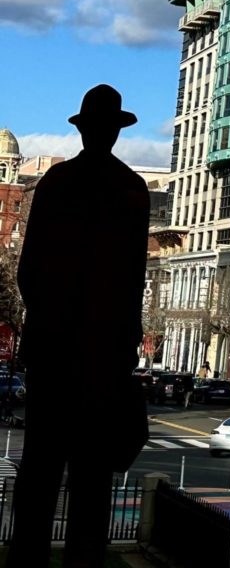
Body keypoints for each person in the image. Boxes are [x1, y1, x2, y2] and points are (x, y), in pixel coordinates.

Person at [10, 85, 149, 567]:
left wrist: (47, 318)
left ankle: (27, 558)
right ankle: (83, 560)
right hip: (103, 357)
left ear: (84, 129)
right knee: (92, 476)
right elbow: (134, 279)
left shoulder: (57, 183)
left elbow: (29, 269)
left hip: (53, 349)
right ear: (113, 130)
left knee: (40, 469)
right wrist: (122, 343)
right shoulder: (133, 190)